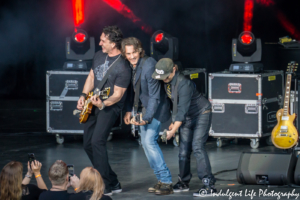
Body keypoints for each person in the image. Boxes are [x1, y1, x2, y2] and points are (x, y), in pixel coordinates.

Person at [76, 26, 131, 195]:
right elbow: (92, 76)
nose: (99, 43)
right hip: (93, 102)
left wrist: (103, 103)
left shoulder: (123, 65)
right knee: (87, 144)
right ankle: (113, 181)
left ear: (114, 43)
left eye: (103, 40)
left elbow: (119, 94)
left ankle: (105, 186)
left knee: (97, 142)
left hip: (110, 107)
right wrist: (84, 95)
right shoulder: (99, 55)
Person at [152, 58, 217, 197]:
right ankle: (183, 182)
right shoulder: (167, 83)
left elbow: (182, 109)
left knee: (197, 146)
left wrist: (173, 130)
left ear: (174, 70)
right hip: (187, 117)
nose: (163, 79)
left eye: (166, 76)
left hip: (201, 113)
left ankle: (209, 185)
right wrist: (173, 121)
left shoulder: (184, 84)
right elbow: (175, 102)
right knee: (183, 150)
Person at [121, 37, 173, 195]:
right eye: (128, 54)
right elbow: (133, 90)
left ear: (139, 50)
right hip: (144, 108)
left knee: (149, 141)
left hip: (155, 108)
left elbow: (155, 96)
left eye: (134, 52)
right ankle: (161, 180)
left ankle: (166, 181)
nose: (131, 56)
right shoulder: (132, 66)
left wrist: (147, 117)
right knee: (145, 143)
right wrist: (130, 110)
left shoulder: (149, 64)